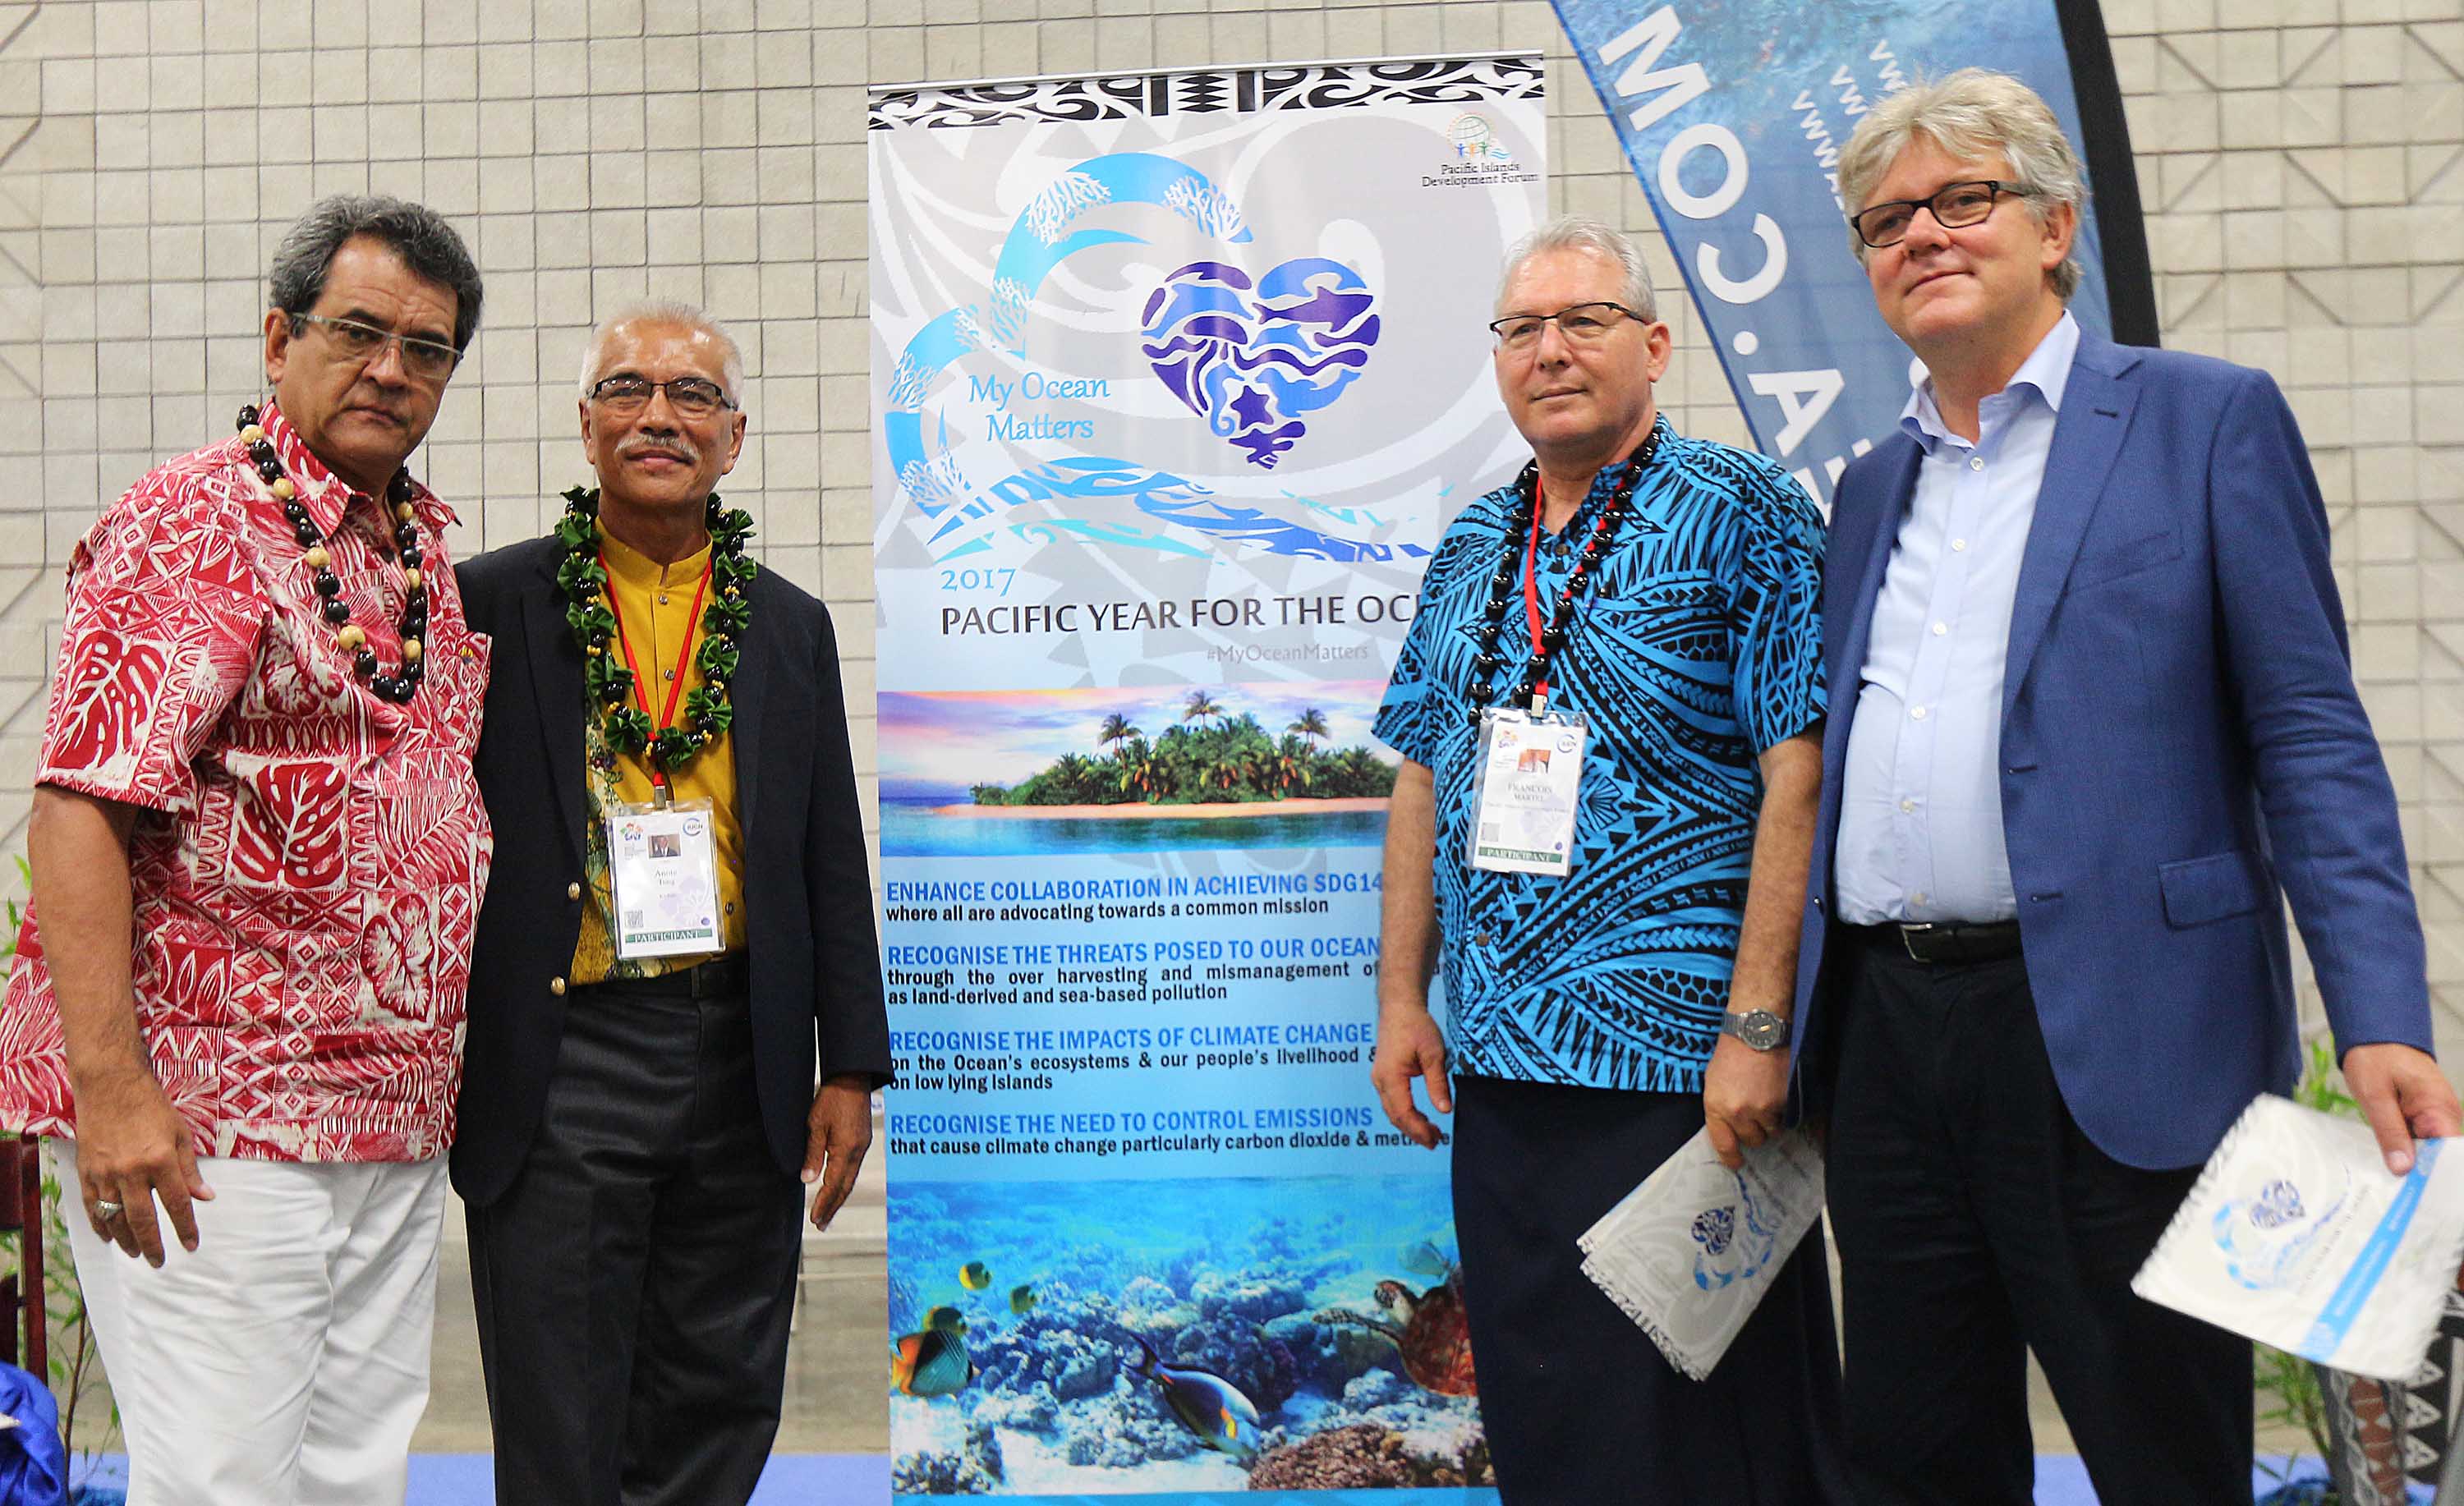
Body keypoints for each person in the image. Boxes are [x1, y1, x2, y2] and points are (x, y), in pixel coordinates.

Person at [1798, 67, 2463, 1505]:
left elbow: (2310, 733)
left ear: (2055, 227)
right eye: (1887, 219)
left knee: (2159, 1452)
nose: (1923, 234)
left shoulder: (2206, 421)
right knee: (1911, 1459)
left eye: (1963, 199)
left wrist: (2381, 1016)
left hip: (2120, 1031)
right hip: (1889, 1041)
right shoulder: (1868, 487)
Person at [0, 194, 487, 1502]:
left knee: (346, 1479)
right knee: (225, 1483)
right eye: (360, 330)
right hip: (214, 1116)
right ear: (280, 340)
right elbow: (82, 807)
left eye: (427, 348)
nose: (391, 367)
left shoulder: (418, 557)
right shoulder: (198, 525)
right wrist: (112, 1090)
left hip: (383, 1113)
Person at [1369, 214, 1848, 1502]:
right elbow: (1421, 769)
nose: (1550, 351)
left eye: (1583, 321)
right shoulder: (1474, 541)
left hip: (1686, 1075)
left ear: (1653, 341)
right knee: (1551, 1422)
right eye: (1522, 328)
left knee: (1708, 1432)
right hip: (1505, 1070)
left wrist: (1759, 1022)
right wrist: (1403, 1000)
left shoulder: (1744, 510)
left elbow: (1795, 765)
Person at [454, 301, 892, 1506]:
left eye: (692, 395)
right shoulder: (489, 606)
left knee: (718, 1394)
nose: (660, 415)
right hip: (563, 1055)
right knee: (560, 1409)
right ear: (586, 428)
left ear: (735, 437)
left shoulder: (790, 627)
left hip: (737, 1048)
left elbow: (826, 855)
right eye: (628, 390)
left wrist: (848, 1065)